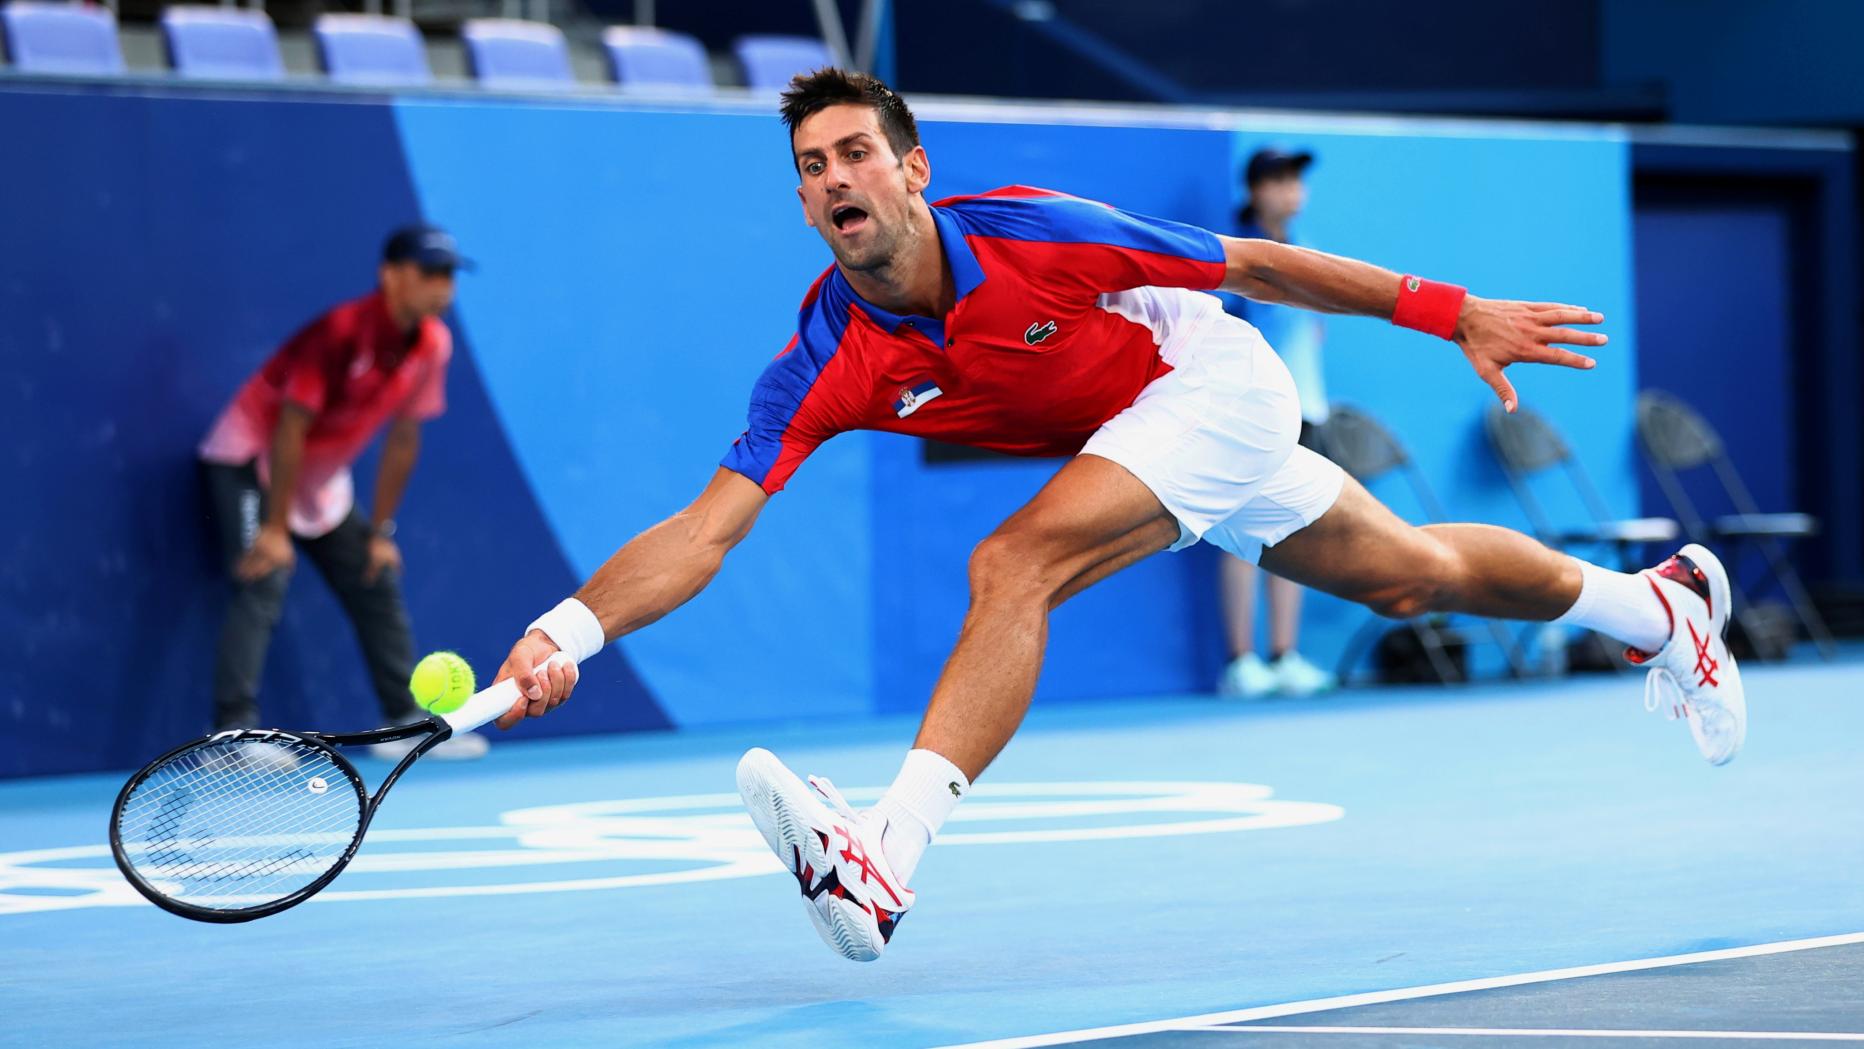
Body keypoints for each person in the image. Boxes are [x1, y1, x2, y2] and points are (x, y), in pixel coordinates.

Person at [489, 70, 1746, 962]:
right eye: (811, 168)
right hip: (1136, 441)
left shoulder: (1040, 235)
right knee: (1407, 574)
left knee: (1013, 562)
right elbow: (708, 527)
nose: (834, 179)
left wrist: (1448, 306)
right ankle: (1658, 607)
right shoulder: (824, 356)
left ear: (913, 169)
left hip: (1207, 380)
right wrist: (568, 629)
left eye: (856, 152)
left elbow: (1252, 263)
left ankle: (887, 853)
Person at [197, 224, 487, 759]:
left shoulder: (433, 347)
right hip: (246, 462)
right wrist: (276, 528)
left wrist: (380, 532)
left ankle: (402, 720)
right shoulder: (339, 332)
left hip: (318, 481)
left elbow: (403, 438)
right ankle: (233, 733)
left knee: (375, 575)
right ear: (391, 276)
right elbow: (288, 428)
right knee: (267, 576)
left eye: (448, 274)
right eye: (429, 272)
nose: (442, 286)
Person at [1216, 146, 1335, 698]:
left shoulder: (1306, 254)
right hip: (1249, 416)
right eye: (1282, 181)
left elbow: (1313, 333)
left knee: (1295, 535)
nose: (1294, 191)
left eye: (1298, 181)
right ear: (1257, 191)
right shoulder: (1238, 256)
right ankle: (1241, 662)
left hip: (1305, 413)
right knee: (1242, 537)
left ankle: (1285, 655)